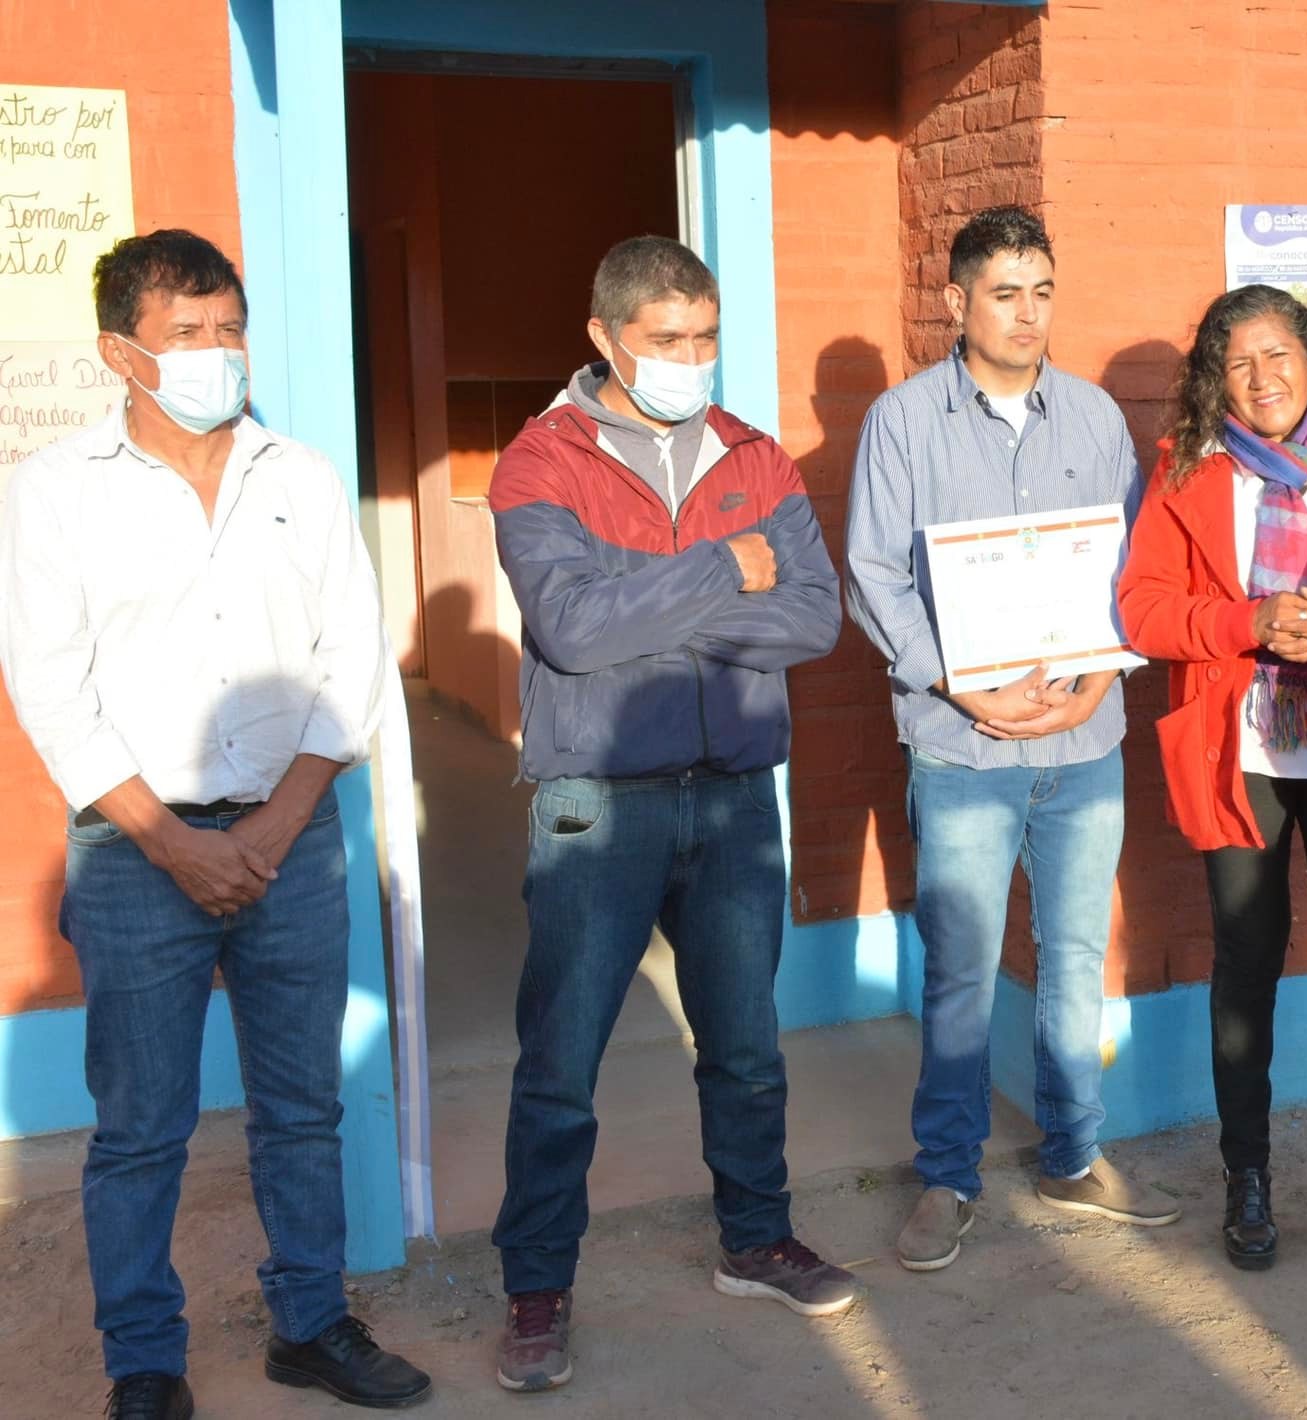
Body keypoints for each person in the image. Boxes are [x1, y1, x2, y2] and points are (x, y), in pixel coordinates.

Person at [0, 230, 429, 1418]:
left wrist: (280, 825)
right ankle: (144, 1361)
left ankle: (311, 1322)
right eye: (185, 331)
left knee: (302, 1107)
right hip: (137, 852)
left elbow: (352, 657)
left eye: (229, 327)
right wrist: (172, 842)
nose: (215, 351)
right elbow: (51, 688)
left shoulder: (298, 475)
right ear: (120, 353)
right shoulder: (52, 489)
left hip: (293, 837)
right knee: (141, 1128)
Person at [486, 235, 851, 1392]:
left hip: (735, 795)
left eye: (704, 338)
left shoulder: (756, 456)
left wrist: (649, 605)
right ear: (604, 337)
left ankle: (756, 1237)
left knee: (743, 1046)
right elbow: (572, 631)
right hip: (598, 804)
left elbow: (814, 619)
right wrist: (724, 568)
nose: (690, 360)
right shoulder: (541, 461)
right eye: (665, 340)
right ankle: (536, 1285)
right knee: (561, 1060)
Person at [845, 205, 1180, 1272]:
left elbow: (1131, 571)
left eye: (1041, 292)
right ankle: (947, 1175)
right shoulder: (902, 422)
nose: (1027, 314)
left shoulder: (1093, 417)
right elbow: (873, 574)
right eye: (1004, 293)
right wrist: (960, 685)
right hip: (964, 747)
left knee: (1076, 959)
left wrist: (1095, 683)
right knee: (961, 970)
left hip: (1083, 744)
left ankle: (1072, 1155)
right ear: (958, 301)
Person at [1117, 284, 1307, 1271]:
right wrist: (1244, 622)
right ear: (1217, 376)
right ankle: (1245, 1174)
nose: (1262, 379)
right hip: (1242, 752)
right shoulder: (1189, 466)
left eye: (1278, 355)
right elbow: (1141, 608)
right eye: (1238, 362)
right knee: (1245, 962)